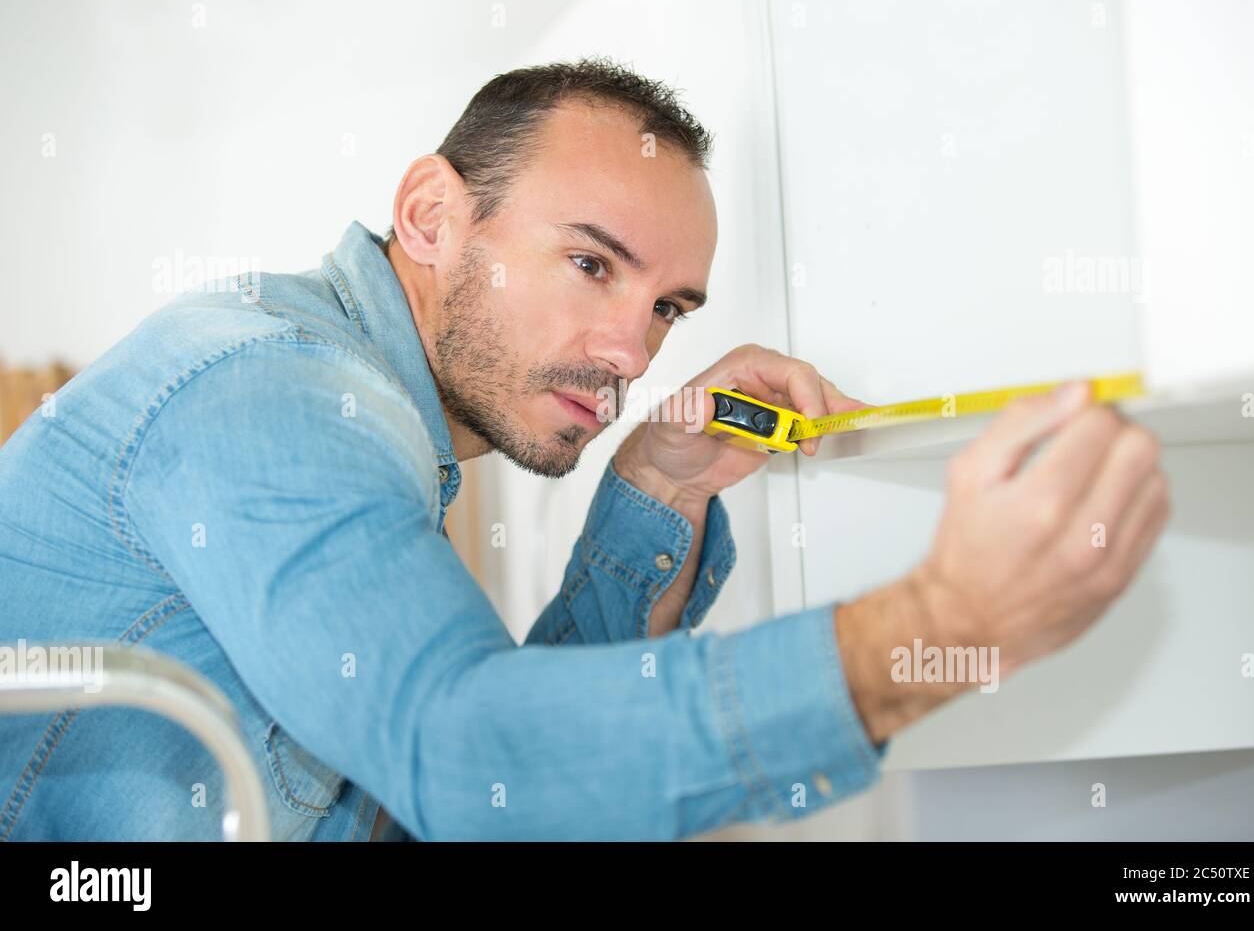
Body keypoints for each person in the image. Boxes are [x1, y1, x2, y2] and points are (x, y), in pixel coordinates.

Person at [0, 58, 1168, 841]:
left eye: (669, 307)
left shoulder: (357, 401)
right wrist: (935, 628)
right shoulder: (273, 393)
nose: (630, 349)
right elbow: (464, 756)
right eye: (592, 263)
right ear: (429, 215)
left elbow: (469, 783)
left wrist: (651, 490)